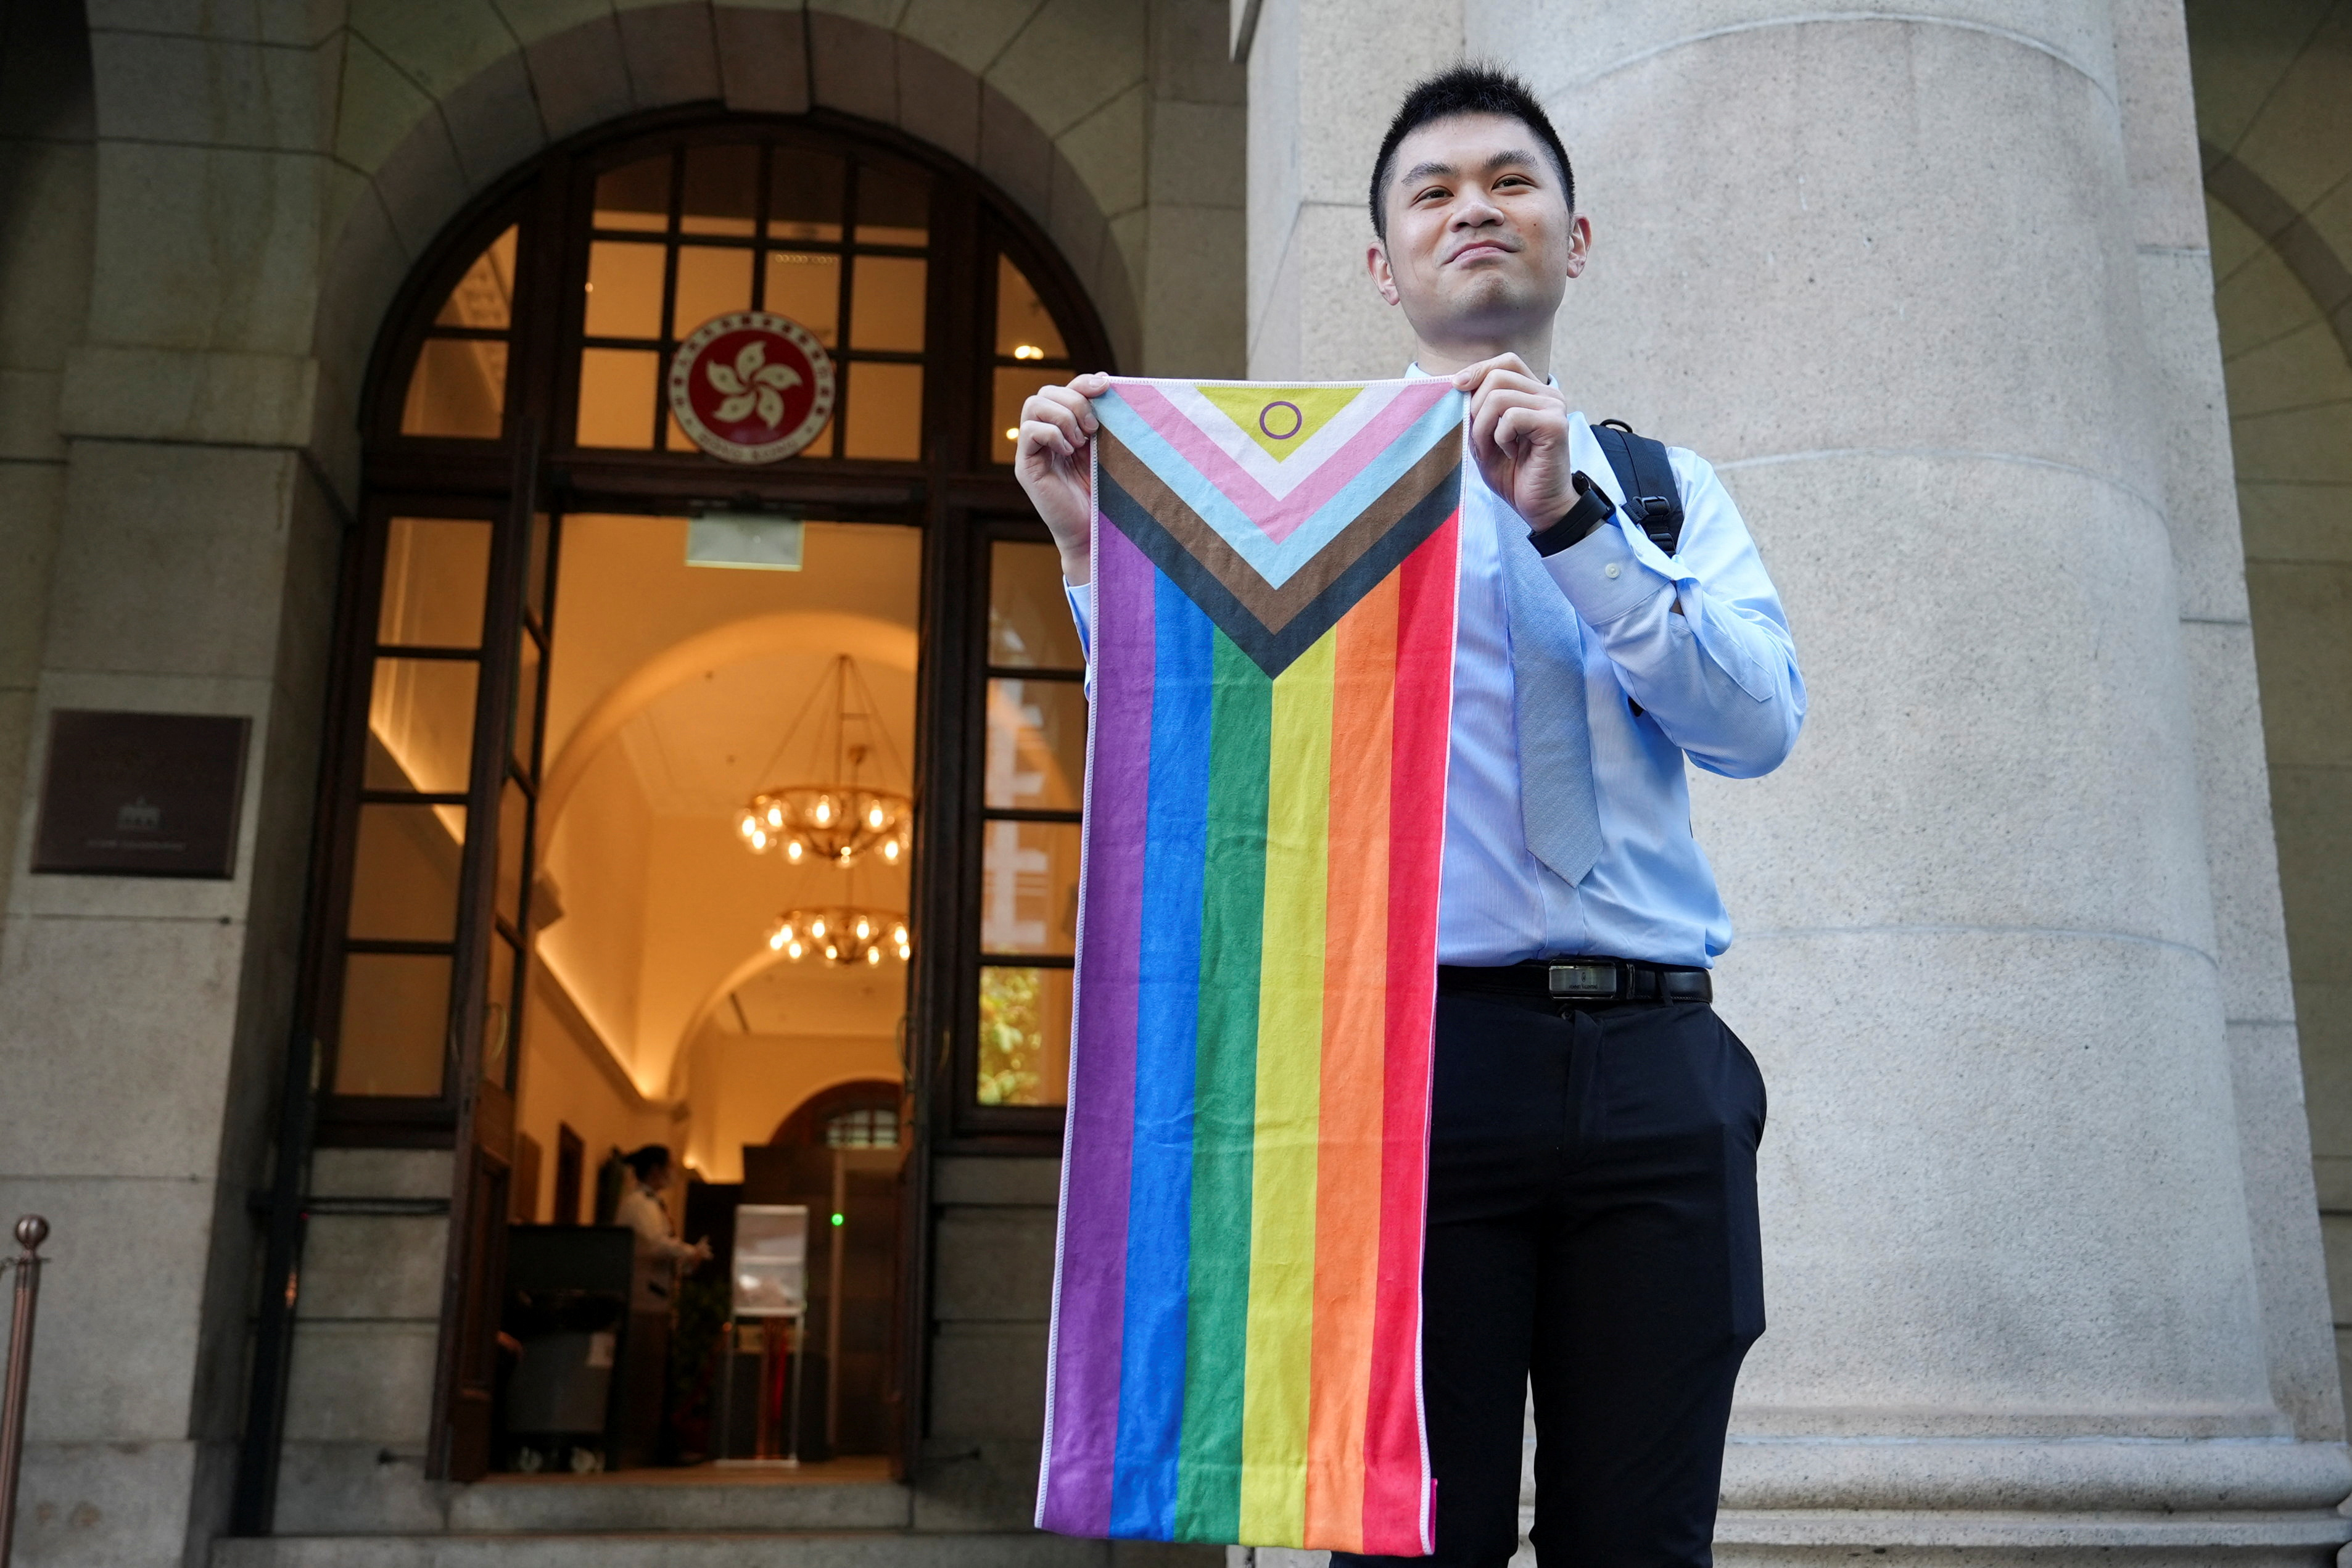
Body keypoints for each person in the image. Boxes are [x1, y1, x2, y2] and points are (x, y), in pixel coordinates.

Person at [1015, 64, 1804, 1568]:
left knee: (1639, 1542)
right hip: (1416, 1077)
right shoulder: (1300, 498)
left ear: (1576, 237)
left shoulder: (1659, 486)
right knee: (1406, 1545)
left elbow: (1753, 723)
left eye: (1509, 181)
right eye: (1431, 193)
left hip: (1658, 1070)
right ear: (1380, 264)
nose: (1473, 210)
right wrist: (1082, 549)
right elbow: (1194, 760)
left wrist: (1570, 523)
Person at [612, 1144, 710, 1467]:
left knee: (659, 1379)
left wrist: (688, 1260)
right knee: (645, 1377)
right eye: (669, 1166)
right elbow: (654, 1245)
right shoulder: (637, 1205)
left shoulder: (655, 1205)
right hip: (643, 1300)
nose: (672, 1174)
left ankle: (659, 1446)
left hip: (657, 1300)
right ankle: (644, 1447)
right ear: (655, 1170)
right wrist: (687, 1251)